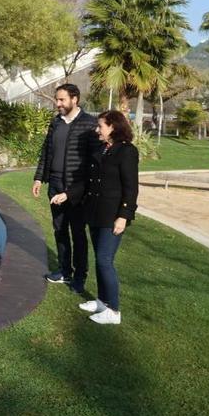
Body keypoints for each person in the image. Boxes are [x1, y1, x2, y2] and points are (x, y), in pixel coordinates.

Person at [32, 83, 101, 294]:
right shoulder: (56, 122)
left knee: (78, 233)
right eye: (57, 99)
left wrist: (73, 191)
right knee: (60, 230)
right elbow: (46, 151)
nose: (58, 103)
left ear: (75, 99)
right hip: (55, 184)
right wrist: (38, 178)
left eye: (62, 100)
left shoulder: (89, 124)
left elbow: (93, 164)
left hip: (77, 190)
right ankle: (64, 270)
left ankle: (80, 276)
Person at [77, 110, 139, 325]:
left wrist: (124, 216)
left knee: (105, 260)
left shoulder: (127, 151)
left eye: (100, 126)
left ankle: (113, 311)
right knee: (100, 259)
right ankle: (102, 301)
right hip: (95, 213)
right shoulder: (103, 149)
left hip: (112, 215)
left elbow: (131, 188)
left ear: (113, 127)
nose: (97, 130)